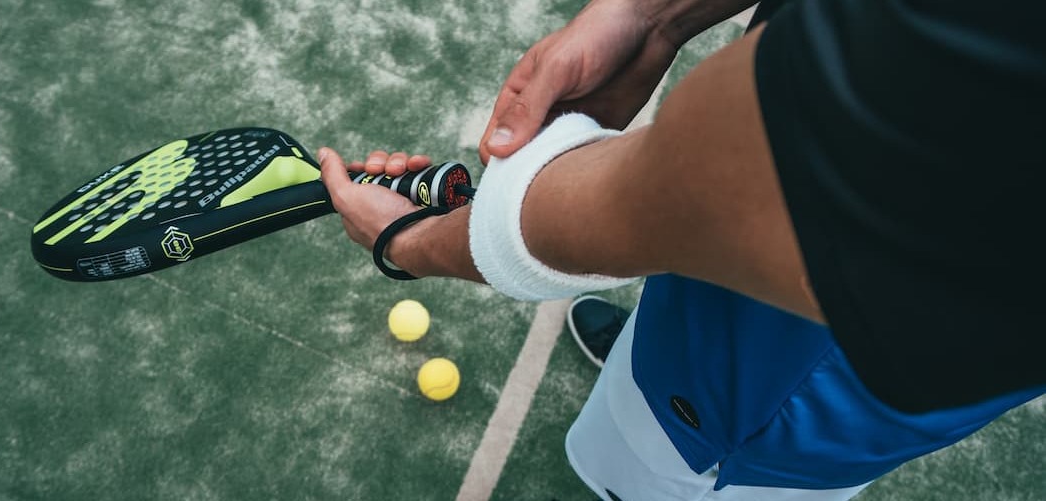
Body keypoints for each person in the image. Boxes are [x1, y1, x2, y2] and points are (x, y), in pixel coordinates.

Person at [317, 0, 1046, 499]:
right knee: (678, 328)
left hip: (786, 384)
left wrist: (406, 241)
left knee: (674, 464)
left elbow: (683, 201)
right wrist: (649, 16)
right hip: (788, 270)